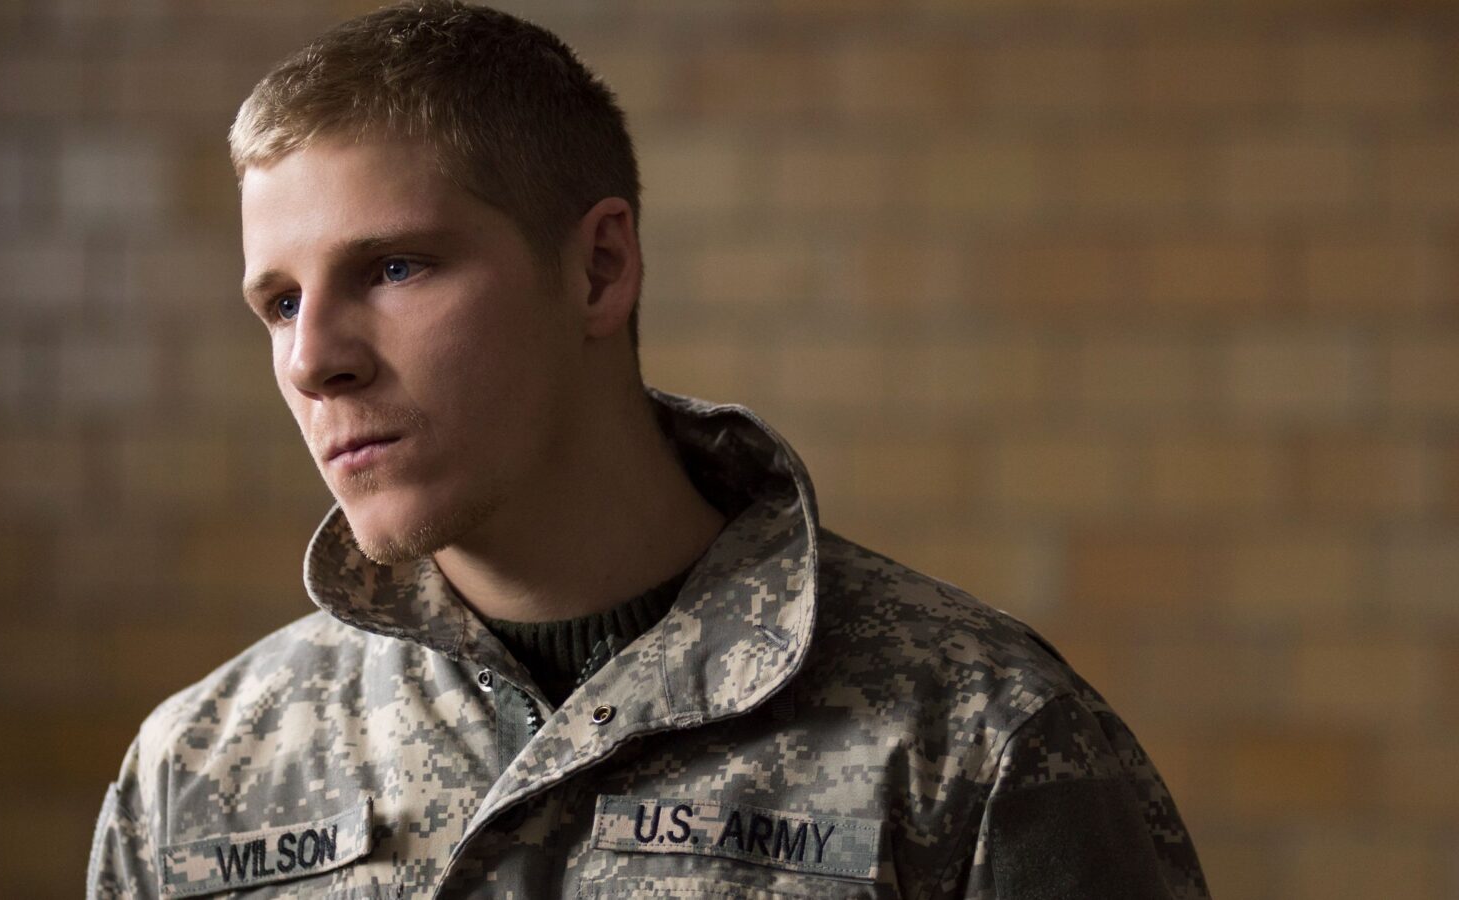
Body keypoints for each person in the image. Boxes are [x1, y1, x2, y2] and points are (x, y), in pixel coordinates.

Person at [87, 2, 1209, 897]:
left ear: (599, 269)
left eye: (393, 268)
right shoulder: (199, 775)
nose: (311, 361)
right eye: (280, 302)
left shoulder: (975, 743)